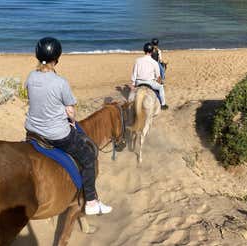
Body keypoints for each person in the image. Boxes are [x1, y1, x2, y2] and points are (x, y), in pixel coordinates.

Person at [24, 37, 112, 215]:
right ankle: (92, 202)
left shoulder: (31, 76)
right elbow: (70, 111)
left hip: (32, 131)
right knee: (88, 156)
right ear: (57, 58)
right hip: (57, 136)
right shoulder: (60, 82)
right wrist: (71, 120)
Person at [130, 42, 169, 110]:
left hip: (138, 82)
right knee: (161, 88)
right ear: (152, 51)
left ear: (144, 50)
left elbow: (134, 74)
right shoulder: (154, 62)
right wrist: (160, 81)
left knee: (131, 97)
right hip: (150, 82)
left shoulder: (137, 60)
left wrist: (133, 84)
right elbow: (158, 76)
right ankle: (163, 104)